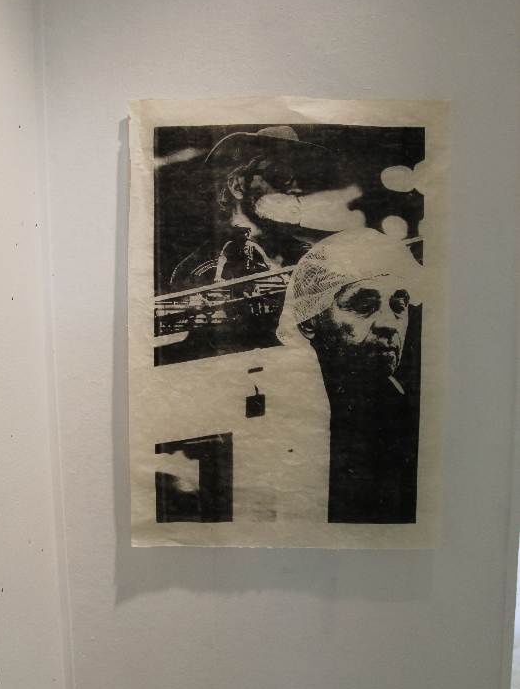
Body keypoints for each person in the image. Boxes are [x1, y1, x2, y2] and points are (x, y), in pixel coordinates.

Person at [277, 226, 423, 524]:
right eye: (364, 306)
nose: (389, 324)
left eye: (399, 306)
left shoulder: (399, 402)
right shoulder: (285, 411)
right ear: (309, 321)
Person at [170, 125, 361, 290]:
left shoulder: (314, 258)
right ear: (238, 186)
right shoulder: (205, 269)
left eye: (303, 178)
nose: (297, 188)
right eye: (280, 174)